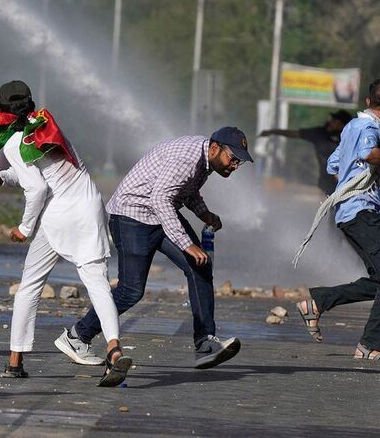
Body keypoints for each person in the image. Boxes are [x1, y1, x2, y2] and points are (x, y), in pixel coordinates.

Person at [0, 81, 131, 387]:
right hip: (89, 207)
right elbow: (38, 171)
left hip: (57, 215)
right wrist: (0, 177)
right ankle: (114, 348)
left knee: (30, 286)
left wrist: (24, 228)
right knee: (98, 283)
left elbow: (37, 187)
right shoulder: (46, 124)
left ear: (3, 110)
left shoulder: (12, 142)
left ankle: (15, 361)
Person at [62, 127, 252, 370]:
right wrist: (187, 244)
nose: (235, 166)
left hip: (159, 215)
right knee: (131, 291)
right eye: (233, 159)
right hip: (132, 216)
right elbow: (160, 199)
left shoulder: (204, 160)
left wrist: (203, 213)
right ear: (215, 148)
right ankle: (77, 336)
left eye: (239, 162)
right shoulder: (187, 159)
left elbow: (186, 190)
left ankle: (205, 344)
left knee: (200, 267)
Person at [294, 79, 380, 362]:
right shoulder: (367, 128)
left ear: (368, 101)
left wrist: (351, 177)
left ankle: (317, 303)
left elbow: (334, 165)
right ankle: (371, 346)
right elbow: (371, 154)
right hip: (361, 212)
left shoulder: (351, 129)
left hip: (353, 212)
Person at [259, 109, 353, 195]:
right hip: (327, 182)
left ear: (343, 125)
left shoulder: (350, 138)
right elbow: (294, 133)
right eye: (332, 119)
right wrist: (272, 131)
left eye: (335, 121)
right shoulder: (320, 133)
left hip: (347, 180)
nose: (331, 122)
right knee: (331, 207)